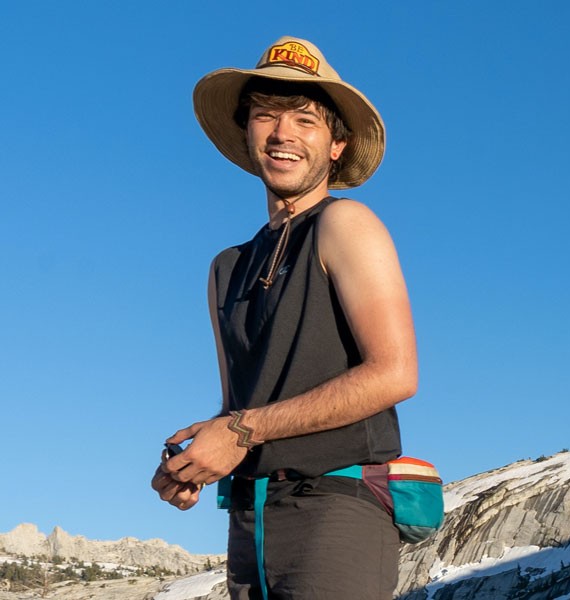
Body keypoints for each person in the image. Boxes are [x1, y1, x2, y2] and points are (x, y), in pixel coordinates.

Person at [151, 36, 417, 599]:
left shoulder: (346, 225)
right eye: (266, 115)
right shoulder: (227, 267)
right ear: (247, 132)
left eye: (305, 120)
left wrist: (241, 431)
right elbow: (238, 405)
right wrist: (198, 460)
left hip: (338, 506)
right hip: (250, 521)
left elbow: (396, 373)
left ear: (337, 145)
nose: (282, 134)